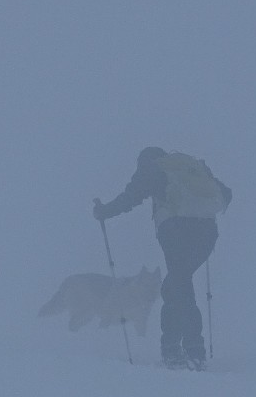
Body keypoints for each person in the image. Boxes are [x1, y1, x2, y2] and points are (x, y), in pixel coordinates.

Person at [93, 146, 232, 369]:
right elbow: (226, 194)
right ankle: (183, 348)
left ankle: (183, 350)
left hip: (176, 231)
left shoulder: (153, 167)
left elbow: (131, 196)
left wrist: (104, 212)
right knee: (179, 284)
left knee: (178, 285)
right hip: (206, 234)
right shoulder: (190, 168)